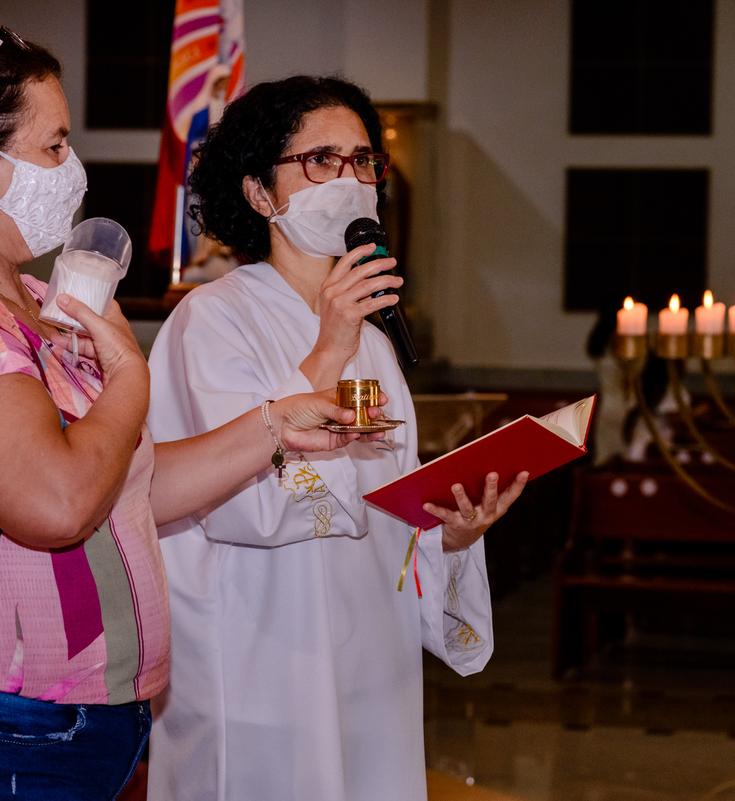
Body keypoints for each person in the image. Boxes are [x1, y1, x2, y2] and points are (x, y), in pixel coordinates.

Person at [0, 32, 372, 801]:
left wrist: (274, 422)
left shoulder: (35, 304)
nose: (74, 168)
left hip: (37, 736)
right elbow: (60, 502)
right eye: (54, 144)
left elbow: (123, 486)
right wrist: (130, 376)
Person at [145, 75, 530, 801]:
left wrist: (447, 536)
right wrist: (328, 346)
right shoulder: (212, 319)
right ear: (259, 192)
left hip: (372, 664)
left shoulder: (376, 347)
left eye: (363, 161)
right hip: (261, 663)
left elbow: (388, 513)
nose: (350, 180)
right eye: (321, 160)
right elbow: (238, 504)